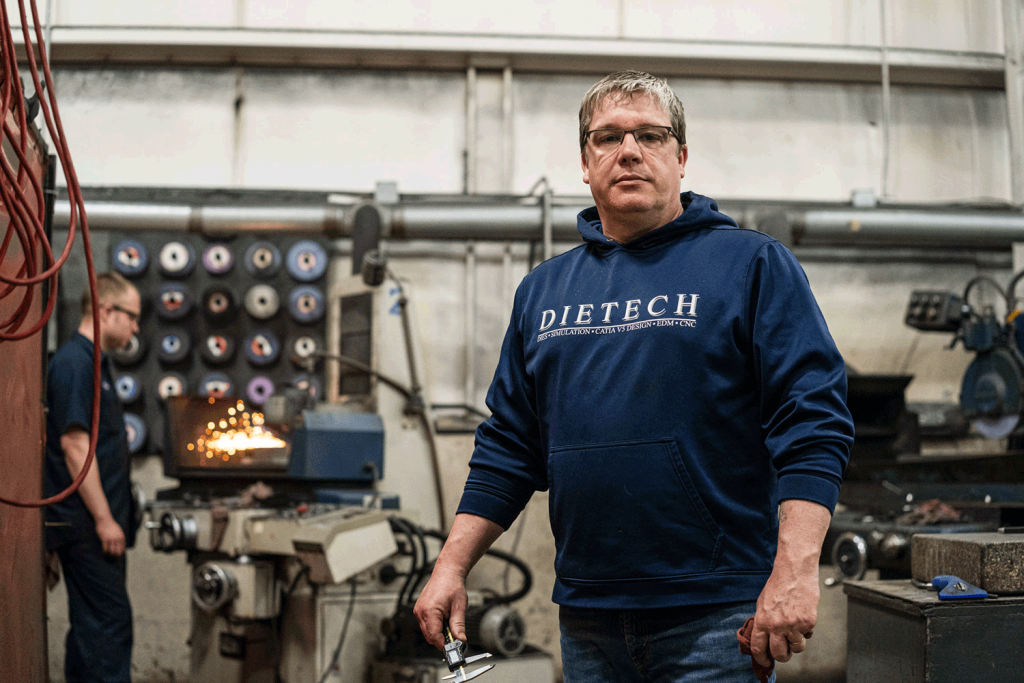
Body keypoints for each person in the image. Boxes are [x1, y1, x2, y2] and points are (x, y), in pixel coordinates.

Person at [414, 70, 854, 682]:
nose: (628, 150)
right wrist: (451, 567)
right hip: (588, 618)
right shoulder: (543, 290)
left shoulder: (751, 265)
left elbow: (814, 422)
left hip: (716, 619)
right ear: (586, 162)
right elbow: (510, 445)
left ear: (681, 156)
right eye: (607, 137)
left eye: (649, 134)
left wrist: (796, 570)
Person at [45, 271, 141, 683]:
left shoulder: (94, 364)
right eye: (132, 317)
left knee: (94, 630)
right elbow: (75, 446)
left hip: (93, 523)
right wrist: (103, 518)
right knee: (108, 627)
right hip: (85, 524)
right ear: (106, 310)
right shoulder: (74, 363)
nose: (136, 327)